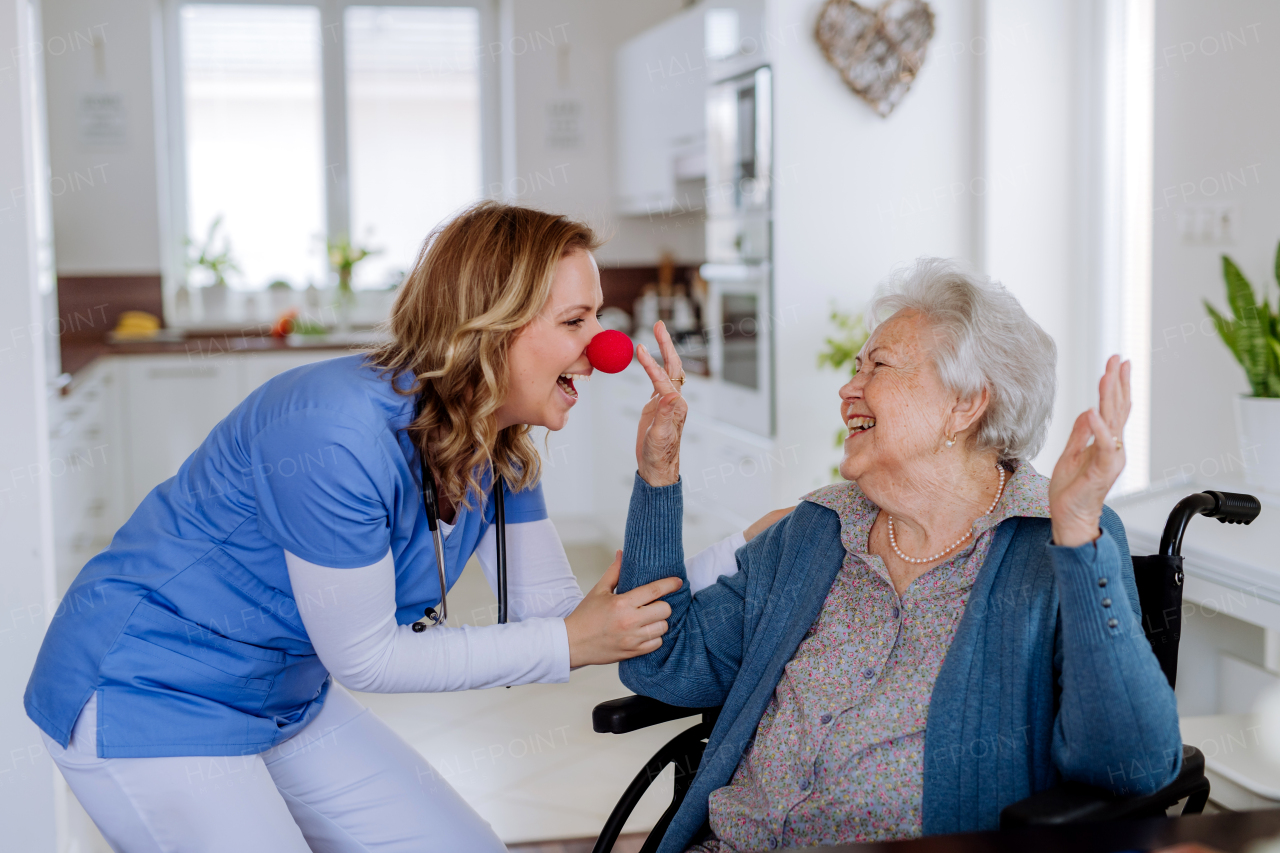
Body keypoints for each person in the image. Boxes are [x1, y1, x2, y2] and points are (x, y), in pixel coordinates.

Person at [24, 202, 757, 853]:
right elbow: (370, 658)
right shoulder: (332, 433)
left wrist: (741, 548)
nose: (607, 348)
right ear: (491, 327)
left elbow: (566, 617)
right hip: (147, 690)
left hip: (284, 698)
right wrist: (570, 641)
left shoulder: (500, 444)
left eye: (599, 315)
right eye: (576, 321)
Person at [618, 257, 1183, 852]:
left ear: (965, 404)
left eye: (878, 366)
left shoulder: (1059, 538)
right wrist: (659, 472)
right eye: (854, 367)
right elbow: (664, 660)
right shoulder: (817, 528)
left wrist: (1077, 535)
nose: (847, 388)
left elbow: (1134, 765)